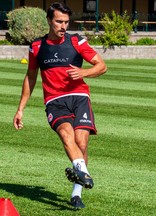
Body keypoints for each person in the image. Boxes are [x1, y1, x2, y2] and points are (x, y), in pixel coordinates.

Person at [13, 2, 107, 209]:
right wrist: (21, 108)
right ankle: (85, 174)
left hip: (79, 96)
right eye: (59, 21)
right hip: (54, 101)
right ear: (49, 20)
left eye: (66, 22)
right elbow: (30, 77)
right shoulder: (36, 47)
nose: (63, 26)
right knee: (66, 134)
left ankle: (76, 193)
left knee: (81, 143)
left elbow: (102, 66)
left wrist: (83, 73)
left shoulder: (77, 41)